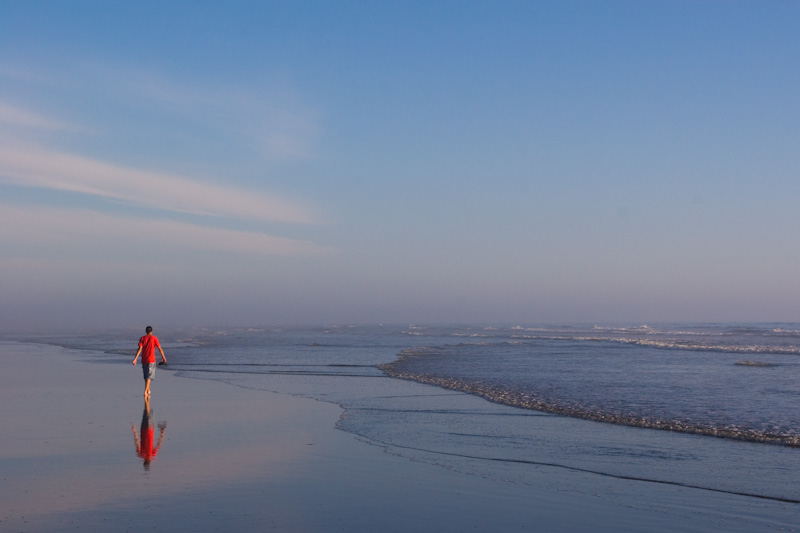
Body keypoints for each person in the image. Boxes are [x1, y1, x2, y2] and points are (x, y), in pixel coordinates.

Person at [132, 326, 166, 397]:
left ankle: (148, 390)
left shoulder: (142, 338)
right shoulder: (154, 338)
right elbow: (160, 349)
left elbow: (140, 349)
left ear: (146, 331)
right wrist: (164, 357)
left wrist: (135, 358)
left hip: (144, 359)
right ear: (152, 331)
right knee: (149, 376)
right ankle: (145, 391)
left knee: (146, 376)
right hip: (151, 360)